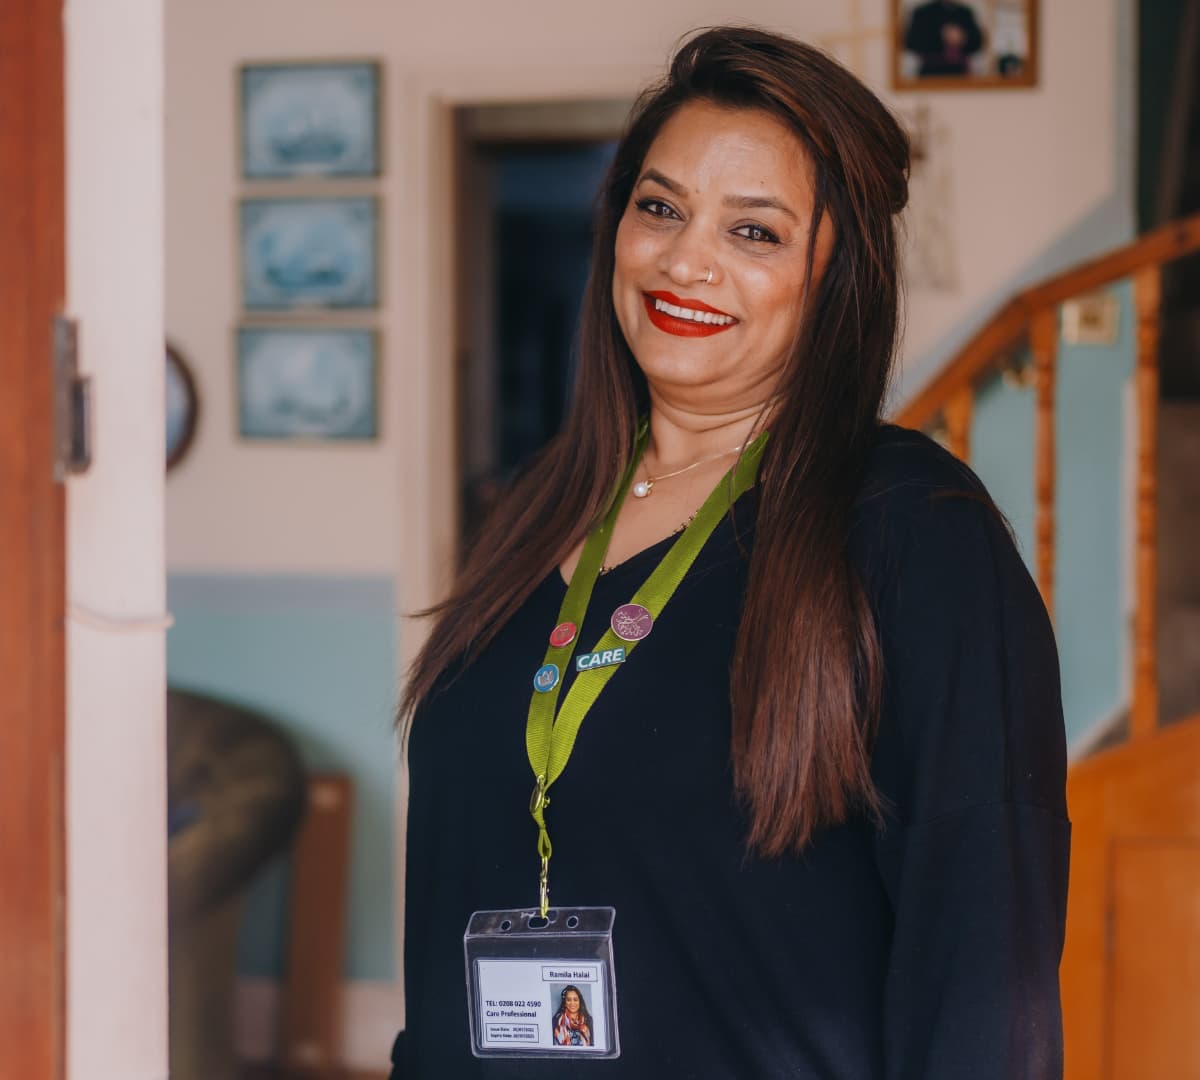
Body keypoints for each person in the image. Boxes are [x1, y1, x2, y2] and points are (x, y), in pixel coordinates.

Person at [390, 25, 1069, 1079]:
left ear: (833, 274)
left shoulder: (911, 531)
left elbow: (985, 967)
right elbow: (448, 904)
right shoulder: (534, 513)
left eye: (754, 232)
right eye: (659, 207)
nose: (684, 258)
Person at [904, 0, 986, 76]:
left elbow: (978, 43)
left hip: (960, 73)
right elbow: (911, 42)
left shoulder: (965, 13)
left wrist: (963, 39)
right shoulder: (922, 13)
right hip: (931, 73)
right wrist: (941, 38)